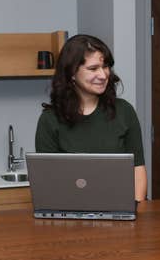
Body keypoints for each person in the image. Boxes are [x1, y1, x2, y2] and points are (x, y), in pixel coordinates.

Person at [35, 34, 147, 201]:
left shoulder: (124, 111)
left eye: (105, 66)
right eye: (93, 68)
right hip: (71, 210)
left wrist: (136, 209)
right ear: (72, 73)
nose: (103, 75)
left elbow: (137, 169)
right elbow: (47, 180)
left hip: (120, 208)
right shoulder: (50, 120)